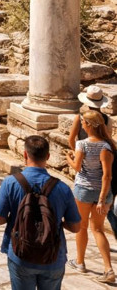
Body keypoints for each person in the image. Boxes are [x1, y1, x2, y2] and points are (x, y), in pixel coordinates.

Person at [0, 135, 81, 290]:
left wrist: (17, 218)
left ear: (25, 154)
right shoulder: (63, 188)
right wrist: (56, 221)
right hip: (53, 256)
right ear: (47, 157)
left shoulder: (10, 182)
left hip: (20, 254)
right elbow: (75, 227)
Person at [65, 110, 115, 282]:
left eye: (83, 123)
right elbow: (107, 176)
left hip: (84, 191)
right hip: (103, 193)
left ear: (86, 125)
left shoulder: (82, 144)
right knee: (98, 229)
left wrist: (68, 158)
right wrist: (102, 198)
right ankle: (108, 268)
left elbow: (78, 167)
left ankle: (80, 262)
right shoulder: (107, 146)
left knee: (82, 226)